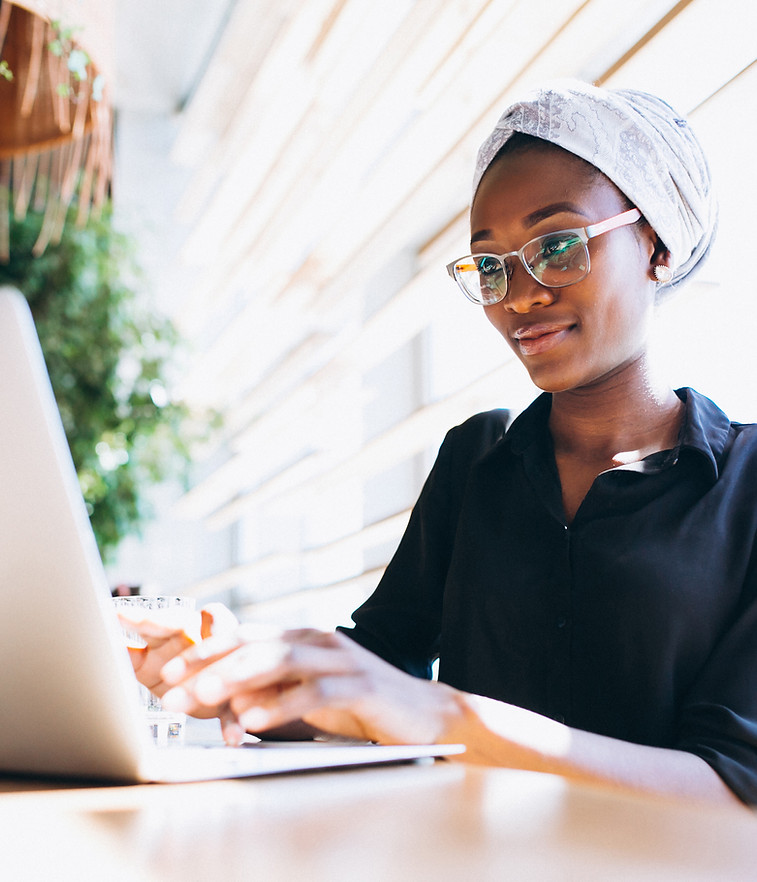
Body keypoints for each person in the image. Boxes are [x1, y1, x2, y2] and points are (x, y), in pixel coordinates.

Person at [123, 80, 757, 807]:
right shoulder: (478, 459)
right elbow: (380, 666)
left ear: (657, 246)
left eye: (555, 247)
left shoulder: (745, 483)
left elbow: (733, 786)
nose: (518, 296)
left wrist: (444, 716)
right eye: (491, 266)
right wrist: (231, 671)